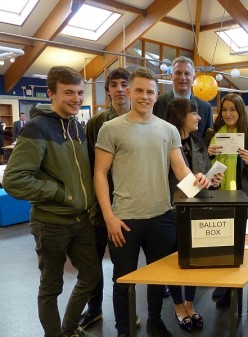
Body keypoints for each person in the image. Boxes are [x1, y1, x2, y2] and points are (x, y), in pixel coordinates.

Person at [94, 67, 210, 337]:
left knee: (159, 278)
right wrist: (109, 217)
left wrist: (199, 183)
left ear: (157, 95)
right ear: (129, 92)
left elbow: (180, 170)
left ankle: (155, 322)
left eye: (149, 91)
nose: (144, 96)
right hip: (124, 218)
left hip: (161, 216)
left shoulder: (168, 130)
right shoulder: (111, 129)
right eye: (139, 90)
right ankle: (124, 330)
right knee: (123, 281)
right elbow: (99, 173)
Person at [2, 66, 100, 337]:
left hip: (81, 221)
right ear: (51, 94)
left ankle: (69, 329)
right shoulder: (37, 127)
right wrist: (61, 194)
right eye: (68, 93)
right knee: (51, 288)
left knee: (91, 276)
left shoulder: (76, 126)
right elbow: (13, 180)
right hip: (51, 224)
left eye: (80, 93)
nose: (76, 99)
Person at [78, 67, 132, 330]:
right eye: (115, 85)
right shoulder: (96, 123)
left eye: (125, 84)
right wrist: (98, 206)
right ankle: (95, 309)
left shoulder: (144, 118)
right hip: (102, 206)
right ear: (108, 89)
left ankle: (127, 311)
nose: (120, 89)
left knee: (127, 265)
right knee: (94, 262)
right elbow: (92, 166)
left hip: (133, 204)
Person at [165, 98, 223, 332]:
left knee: (192, 260)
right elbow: (176, 180)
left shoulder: (198, 141)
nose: (199, 118)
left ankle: (190, 304)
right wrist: (200, 183)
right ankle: (178, 306)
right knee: (175, 262)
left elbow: (204, 180)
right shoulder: (167, 144)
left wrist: (213, 181)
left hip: (196, 210)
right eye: (194, 114)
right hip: (172, 211)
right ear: (181, 116)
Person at [206, 93, 248, 307]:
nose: (228, 114)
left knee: (235, 244)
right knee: (219, 242)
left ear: (240, 112)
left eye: (233, 110)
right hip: (216, 196)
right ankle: (222, 283)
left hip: (240, 198)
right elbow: (200, 169)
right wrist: (207, 154)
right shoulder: (211, 134)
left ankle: (231, 288)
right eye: (225, 109)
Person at [153, 56, 213, 138]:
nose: (182, 77)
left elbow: (209, 140)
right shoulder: (157, 103)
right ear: (171, 76)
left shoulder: (205, 108)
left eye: (187, 73)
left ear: (193, 78)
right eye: (178, 73)